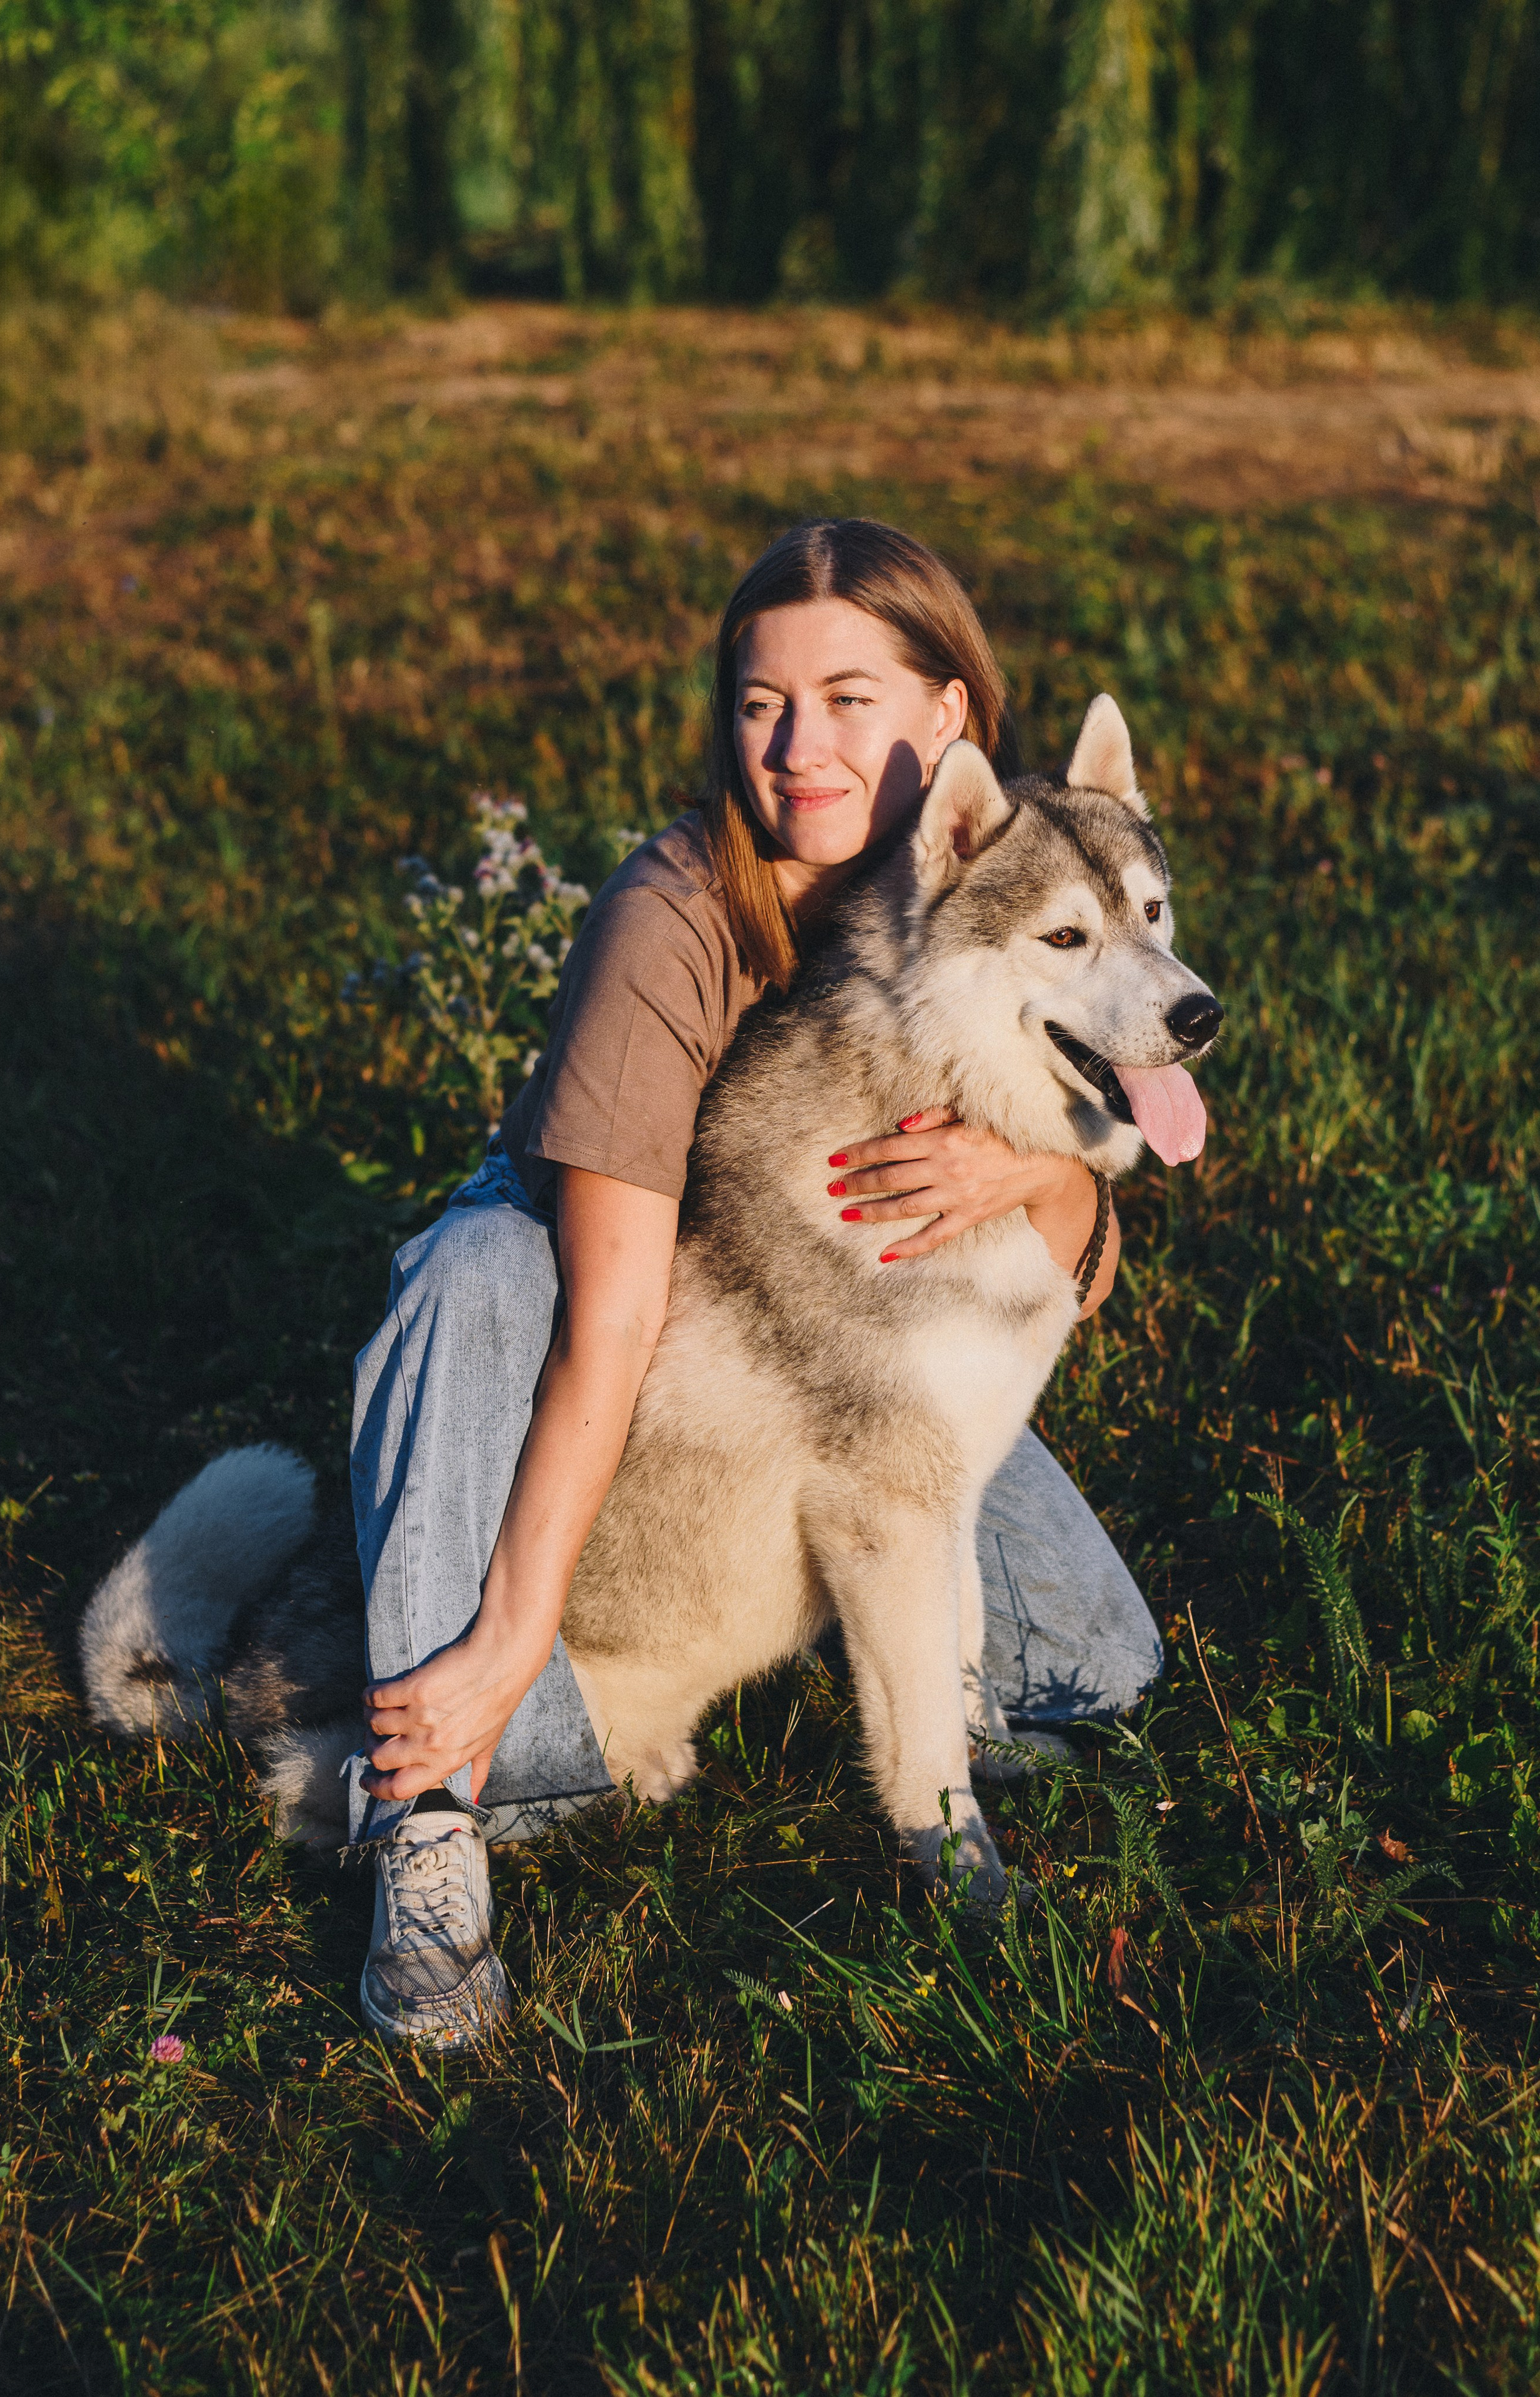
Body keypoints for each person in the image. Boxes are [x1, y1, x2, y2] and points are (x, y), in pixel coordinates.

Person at [348, 518, 1162, 2048]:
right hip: (586, 1278)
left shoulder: (980, 878)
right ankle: (426, 1813)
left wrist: (1051, 1168)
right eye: (760, 701)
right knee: (471, 1271)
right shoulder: (673, 918)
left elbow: (1066, 1245)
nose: (796, 747)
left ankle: (888, 1690)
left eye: (848, 698)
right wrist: (515, 1636)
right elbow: (614, 1316)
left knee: (1100, 1664)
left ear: (949, 720)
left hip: (828, 1336)